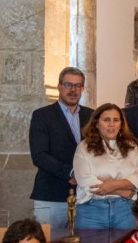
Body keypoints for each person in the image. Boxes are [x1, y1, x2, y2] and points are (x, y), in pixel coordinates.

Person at [30, 67, 94, 228]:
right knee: (48, 241)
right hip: (51, 195)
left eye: (77, 85)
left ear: (82, 88)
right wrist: (72, 172)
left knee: (83, 242)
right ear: (59, 86)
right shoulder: (42, 115)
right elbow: (39, 155)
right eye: (68, 84)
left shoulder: (92, 116)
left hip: (85, 197)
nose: (73, 90)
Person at [73, 103, 138, 229]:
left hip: (126, 210)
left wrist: (112, 185)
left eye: (116, 120)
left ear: (121, 124)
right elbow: (85, 181)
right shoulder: (84, 147)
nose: (111, 124)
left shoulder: (131, 146)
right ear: (97, 123)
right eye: (106, 120)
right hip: (91, 210)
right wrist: (121, 191)